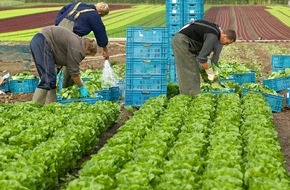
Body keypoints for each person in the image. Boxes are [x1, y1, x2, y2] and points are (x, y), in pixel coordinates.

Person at [30, 26, 97, 105]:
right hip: (42, 41)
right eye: (87, 54)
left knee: (51, 80)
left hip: (41, 42)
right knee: (47, 80)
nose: (85, 56)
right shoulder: (77, 49)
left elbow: (60, 55)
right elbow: (74, 73)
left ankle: (50, 106)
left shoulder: (77, 43)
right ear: (87, 49)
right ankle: (34, 106)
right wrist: (81, 87)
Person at [171, 19, 236, 96]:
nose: (226, 45)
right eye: (227, 42)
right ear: (225, 36)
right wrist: (209, 72)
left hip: (186, 42)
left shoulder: (215, 30)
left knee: (194, 68)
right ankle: (190, 97)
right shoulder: (213, 36)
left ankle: (190, 95)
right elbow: (202, 58)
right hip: (182, 42)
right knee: (190, 71)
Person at [55, 1, 110, 88]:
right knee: (72, 62)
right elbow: (100, 32)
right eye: (101, 16)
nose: (100, 17)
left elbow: (63, 10)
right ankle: (67, 89)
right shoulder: (94, 15)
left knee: (56, 59)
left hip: (57, 32)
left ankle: (48, 85)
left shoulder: (78, 4)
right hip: (71, 36)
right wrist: (105, 49)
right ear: (99, 12)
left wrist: (58, 22)